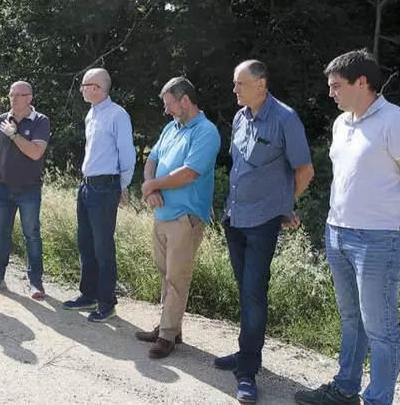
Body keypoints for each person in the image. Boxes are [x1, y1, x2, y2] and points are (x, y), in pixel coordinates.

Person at [295, 50, 400, 405]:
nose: (331, 94)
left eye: (336, 86)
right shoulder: (342, 124)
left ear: (362, 83)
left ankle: (377, 400)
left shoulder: (396, 122)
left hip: (379, 239)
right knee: (351, 319)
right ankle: (345, 388)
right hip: (337, 233)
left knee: (380, 327)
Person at [217, 60, 314, 403]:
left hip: (262, 223)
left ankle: (247, 371)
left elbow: (304, 170)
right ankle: (246, 352)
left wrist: (283, 206)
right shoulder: (241, 117)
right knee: (245, 291)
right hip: (235, 218)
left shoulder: (286, 119)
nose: (235, 90)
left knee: (254, 294)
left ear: (261, 84)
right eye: (234, 84)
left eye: (240, 84)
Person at [134, 76, 221, 358]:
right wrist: (150, 189)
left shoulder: (206, 132)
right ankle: (168, 326)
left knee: (176, 277)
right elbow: (152, 160)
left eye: (170, 104)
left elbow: (189, 173)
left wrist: (153, 185)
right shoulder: (171, 128)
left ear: (185, 100)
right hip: (162, 213)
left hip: (186, 217)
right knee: (166, 274)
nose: (167, 110)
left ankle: (167, 336)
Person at [62, 68, 135, 322]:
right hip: (87, 186)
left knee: (103, 247)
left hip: (106, 187)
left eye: (84, 85)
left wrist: (121, 185)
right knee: (85, 242)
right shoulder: (92, 114)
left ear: (96, 87)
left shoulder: (117, 115)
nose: (81, 89)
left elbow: (127, 153)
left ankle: (106, 302)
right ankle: (88, 294)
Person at [0, 81, 50, 298]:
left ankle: (35, 283)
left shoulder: (40, 121)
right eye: (11, 95)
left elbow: (35, 152)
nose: (14, 99)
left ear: (30, 98)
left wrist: (14, 135)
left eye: (19, 95)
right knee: (1, 234)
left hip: (29, 190)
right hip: (2, 190)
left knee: (32, 235)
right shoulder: (1, 120)